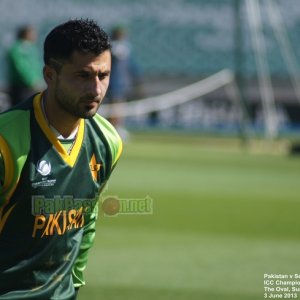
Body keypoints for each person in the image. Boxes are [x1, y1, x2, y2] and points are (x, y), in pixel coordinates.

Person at [0, 19, 122, 299]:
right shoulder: (7, 143)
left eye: (103, 75)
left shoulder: (107, 141)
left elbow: (85, 220)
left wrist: (74, 285)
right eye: (82, 76)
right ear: (50, 75)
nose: (96, 89)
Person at [106, 25, 142, 137]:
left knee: (118, 107)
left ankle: (116, 128)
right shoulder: (114, 47)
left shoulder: (123, 46)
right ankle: (113, 130)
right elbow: (119, 54)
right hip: (113, 84)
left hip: (121, 84)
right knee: (115, 107)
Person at [7, 25, 44, 106]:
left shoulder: (31, 48)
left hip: (31, 86)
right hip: (21, 87)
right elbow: (20, 67)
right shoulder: (18, 48)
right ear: (25, 34)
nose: (35, 36)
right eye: (32, 33)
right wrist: (32, 82)